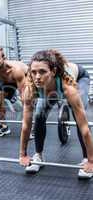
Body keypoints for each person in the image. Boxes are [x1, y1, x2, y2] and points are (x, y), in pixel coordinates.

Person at [19, 49, 93, 178]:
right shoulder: (31, 89)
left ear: (53, 72)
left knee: (78, 117)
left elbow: (85, 128)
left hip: (80, 78)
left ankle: (86, 158)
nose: (37, 77)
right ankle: (39, 155)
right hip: (49, 90)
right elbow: (26, 126)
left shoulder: (68, 88)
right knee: (39, 116)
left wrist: (92, 161)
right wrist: (23, 154)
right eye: (34, 72)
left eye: (42, 71)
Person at [0, 46, 28, 137]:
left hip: (26, 77)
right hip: (9, 81)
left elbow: (23, 95)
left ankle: (30, 127)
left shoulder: (16, 70)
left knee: (27, 99)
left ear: (4, 58)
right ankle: (4, 126)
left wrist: (25, 118)